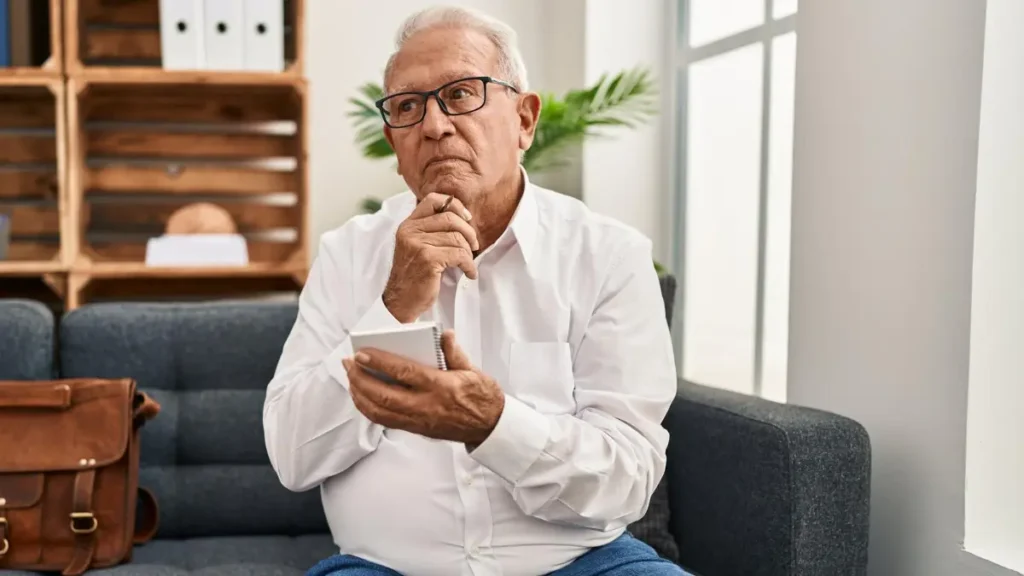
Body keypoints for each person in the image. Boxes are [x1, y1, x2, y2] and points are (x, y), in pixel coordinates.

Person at [263, 5, 684, 576]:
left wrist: (494, 424)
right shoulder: (347, 254)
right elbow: (293, 456)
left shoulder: (610, 255)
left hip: (583, 562)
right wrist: (394, 304)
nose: (434, 125)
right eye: (408, 107)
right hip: (387, 567)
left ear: (525, 121)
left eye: (462, 93)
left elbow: (627, 478)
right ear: (394, 142)